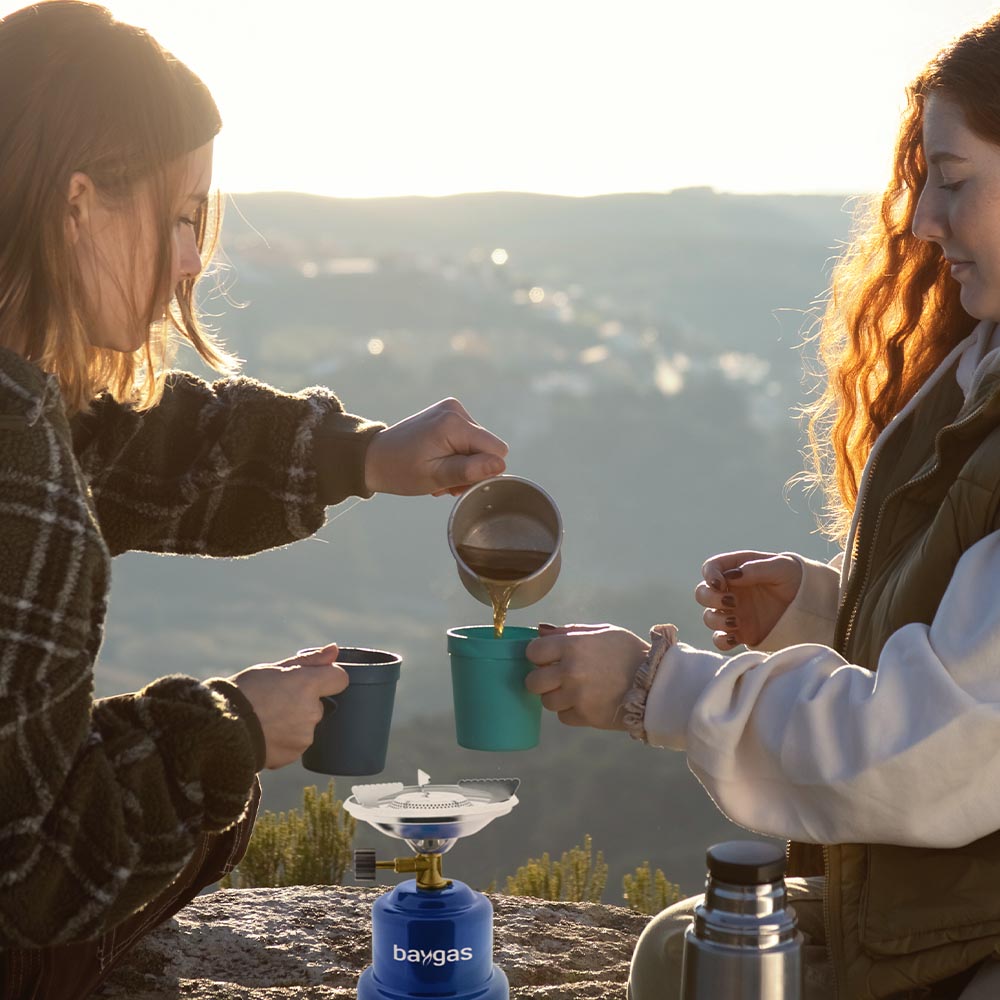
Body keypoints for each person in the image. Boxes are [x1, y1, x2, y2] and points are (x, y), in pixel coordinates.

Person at [0, 3, 508, 998]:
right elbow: (32, 878)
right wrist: (230, 730)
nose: (193, 259)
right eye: (182, 215)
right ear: (77, 202)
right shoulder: (14, 462)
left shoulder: (31, 405)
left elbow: (141, 440)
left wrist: (366, 454)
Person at [526, 12, 1000, 1000]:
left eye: (953, 181)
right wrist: (830, 610)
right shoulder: (974, 373)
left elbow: (933, 750)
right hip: (944, 900)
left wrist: (658, 688)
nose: (919, 220)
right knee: (677, 951)